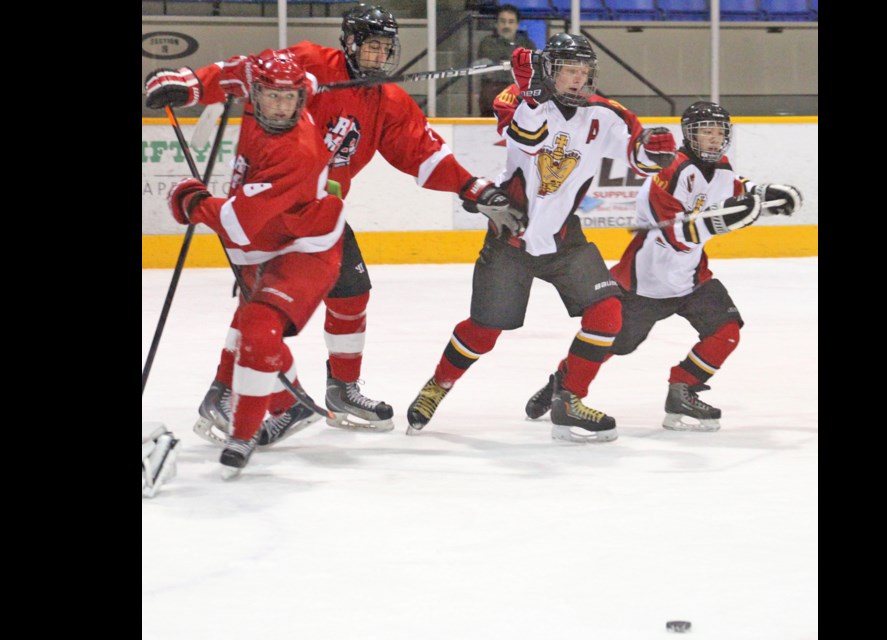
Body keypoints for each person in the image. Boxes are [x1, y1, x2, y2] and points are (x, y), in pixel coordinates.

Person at [143, 4, 520, 446]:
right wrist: (189, 85)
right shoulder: (310, 64)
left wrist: (473, 187)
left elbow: (422, 152)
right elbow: (248, 72)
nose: (378, 57)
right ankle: (226, 393)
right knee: (262, 309)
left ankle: (341, 390)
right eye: (371, 47)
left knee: (352, 292)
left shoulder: (386, 99)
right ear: (350, 43)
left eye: (385, 48)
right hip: (265, 209)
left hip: (318, 216)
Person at [405, 33, 677, 443]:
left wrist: (655, 152)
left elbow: (638, 158)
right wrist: (532, 96)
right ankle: (436, 387)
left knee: (607, 313)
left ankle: (567, 397)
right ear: (549, 71)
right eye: (569, 70)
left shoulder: (608, 116)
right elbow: (527, 141)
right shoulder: (513, 99)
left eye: (584, 72)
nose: (578, 80)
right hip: (510, 235)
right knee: (484, 329)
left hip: (566, 239)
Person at [524, 101, 803, 431]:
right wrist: (729, 220)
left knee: (726, 330)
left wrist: (764, 193)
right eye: (706, 132)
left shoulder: (722, 167)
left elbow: (734, 187)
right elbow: (675, 236)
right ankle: (562, 384)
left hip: (691, 279)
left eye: (719, 133)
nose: (714, 140)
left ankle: (682, 389)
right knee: (612, 344)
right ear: (689, 135)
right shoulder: (669, 172)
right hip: (645, 283)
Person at [164, 52, 348, 477]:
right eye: (272, 97)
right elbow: (234, 69)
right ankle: (291, 403)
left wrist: (192, 203)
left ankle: (242, 435)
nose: (281, 107)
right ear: (256, 94)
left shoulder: (297, 152)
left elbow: (237, 223)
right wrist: (187, 84)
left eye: (290, 98)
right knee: (248, 330)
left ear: (301, 99)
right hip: (268, 241)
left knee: (259, 329)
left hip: (306, 248)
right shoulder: (252, 86)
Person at [476, 4, 536, 117]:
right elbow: (494, 67)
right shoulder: (487, 42)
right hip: (494, 98)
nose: (506, 25)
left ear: (517, 25)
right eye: (502, 21)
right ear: (496, 24)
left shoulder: (527, 44)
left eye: (511, 22)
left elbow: (532, 71)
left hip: (520, 98)